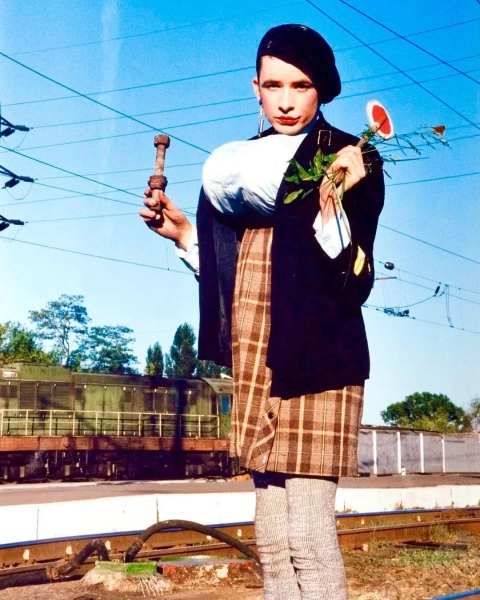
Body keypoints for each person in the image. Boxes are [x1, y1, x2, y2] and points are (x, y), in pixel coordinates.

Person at [140, 24, 384, 600]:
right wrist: (184, 233)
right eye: (274, 85)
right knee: (272, 538)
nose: (286, 101)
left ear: (321, 90)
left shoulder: (351, 156)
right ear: (255, 87)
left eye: (301, 86)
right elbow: (239, 269)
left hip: (318, 361)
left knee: (307, 534)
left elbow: (355, 278)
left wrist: (332, 202)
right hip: (256, 354)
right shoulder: (241, 166)